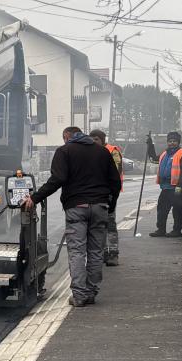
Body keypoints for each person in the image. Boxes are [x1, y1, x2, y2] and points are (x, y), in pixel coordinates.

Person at [23, 126, 119, 307]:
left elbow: (57, 179)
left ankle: (80, 295)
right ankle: (91, 293)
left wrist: (35, 198)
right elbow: (115, 181)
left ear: (67, 136)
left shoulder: (65, 151)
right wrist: (110, 206)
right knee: (96, 252)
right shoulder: (102, 152)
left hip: (76, 207)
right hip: (100, 206)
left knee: (77, 252)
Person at [89, 129, 123, 266]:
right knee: (97, 226)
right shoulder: (89, 152)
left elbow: (115, 173)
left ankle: (113, 253)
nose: (93, 142)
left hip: (109, 193)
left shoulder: (112, 151)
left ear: (102, 140)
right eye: (91, 139)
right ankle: (102, 253)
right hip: (94, 194)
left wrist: (111, 196)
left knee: (110, 225)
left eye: (96, 139)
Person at [152, 131, 182, 237]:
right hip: (166, 187)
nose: (172, 143)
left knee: (178, 209)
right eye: (170, 141)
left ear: (178, 142)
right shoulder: (165, 153)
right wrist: (150, 146)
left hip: (178, 187)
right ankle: (161, 229)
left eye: (174, 141)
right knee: (161, 209)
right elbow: (154, 158)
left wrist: (179, 186)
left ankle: (177, 231)